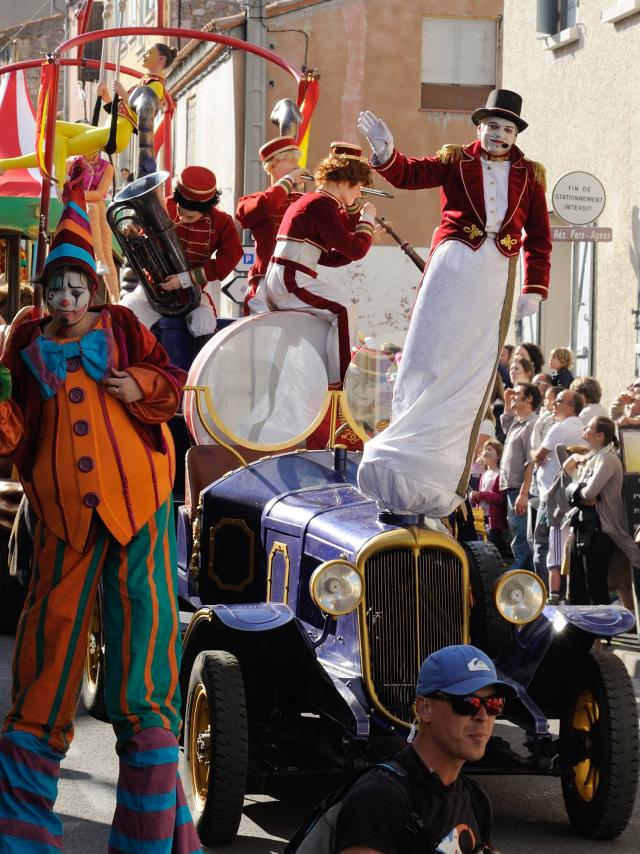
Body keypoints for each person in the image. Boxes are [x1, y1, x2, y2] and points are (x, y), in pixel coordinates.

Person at [0, 166, 201, 853]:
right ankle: (22, 836)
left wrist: (135, 382)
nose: (65, 297)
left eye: (76, 285)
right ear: (44, 291)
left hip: (137, 508)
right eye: (55, 286)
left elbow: (173, 387)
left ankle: (149, 839)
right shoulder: (25, 344)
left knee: (144, 672)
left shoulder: (121, 328)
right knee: (46, 667)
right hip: (62, 521)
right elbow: (15, 430)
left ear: (95, 287)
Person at [356, 89, 551, 519]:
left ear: (516, 133)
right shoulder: (455, 160)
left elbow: (538, 237)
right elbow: (409, 175)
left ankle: (440, 472)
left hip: (496, 274)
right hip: (454, 264)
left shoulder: (531, 174)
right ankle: (404, 444)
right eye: (492, 126)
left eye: (507, 128)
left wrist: (534, 286)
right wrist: (386, 152)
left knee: (475, 367)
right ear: (479, 127)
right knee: (431, 351)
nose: (499, 134)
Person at [335, 644, 513, 854]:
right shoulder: (379, 798)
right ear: (425, 708)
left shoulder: (476, 800)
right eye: (468, 702)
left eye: (494, 704)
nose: (483, 716)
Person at [264, 142, 376, 386]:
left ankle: (332, 379)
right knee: (344, 310)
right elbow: (355, 250)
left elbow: (329, 257)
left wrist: (361, 231)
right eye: (359, 187)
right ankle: (342, 386)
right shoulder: (321, 205)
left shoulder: (314, 203)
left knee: (338, 313)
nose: (359, 194)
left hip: (287, 277)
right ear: (346, 180)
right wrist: (366, 222)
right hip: (291, 279)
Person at [121, 165, 243, 369]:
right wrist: (134, 235)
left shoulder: (220, 221)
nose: (182, 219)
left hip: (191, 291)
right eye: (180, 212)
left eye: (190, 217)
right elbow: (144, 241)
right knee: (126, 310)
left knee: (203, 321)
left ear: (206, 209)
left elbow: (230, 258)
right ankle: (132, 369)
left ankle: (198, 375)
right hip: (153, 288)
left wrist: (185, 279)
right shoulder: (164, 205)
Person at [0, 43, 176, 185]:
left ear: (160, 59)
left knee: (62, 148)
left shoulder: (157, 86)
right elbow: (123, 110)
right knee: (51, 128)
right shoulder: (145, 81)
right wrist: (107, 97)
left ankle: (59, 180)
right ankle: (6, 165)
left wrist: (123, 94)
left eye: (149, 52)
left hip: (114, 135)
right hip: (109, 127)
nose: (144, 55)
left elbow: (142, 116)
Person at [563, 417, 640, 605]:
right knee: (578, 586)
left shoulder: (609, 459)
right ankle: (581, 633)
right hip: (582, 526)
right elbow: (571, 477)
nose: (584, 428)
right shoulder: (592, 456)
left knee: (596, 586)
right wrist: (574, 490)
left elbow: (590, 492)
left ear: (600, 435)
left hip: (601, 529)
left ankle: (602, 634)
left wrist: (575, 491)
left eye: (588, 426)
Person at [236, 135, 305, 315]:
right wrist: (289, 180)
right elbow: (268, 205)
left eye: (297, 161)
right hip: (265, 282)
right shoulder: (251, 201)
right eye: (291, 162)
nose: (297, 167)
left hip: (298, 281)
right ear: (272, 166)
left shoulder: (306, 202)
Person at [532, 389, 584, 601]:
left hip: (552, 497)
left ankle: (547, 595)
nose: (553, 403)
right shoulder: (583, 426)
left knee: (544, 545)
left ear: (571, 407)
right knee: (566, 546)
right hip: (573, 496)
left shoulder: (560, 428)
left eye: (559, 401)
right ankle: (564, 594)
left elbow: (538, 456)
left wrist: (535, 456)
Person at [500, 382, 541, 569]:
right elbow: (505, 423)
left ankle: (521, 580)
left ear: (530, 398)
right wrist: (508, 401)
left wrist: (524, 493)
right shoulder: (518, 422)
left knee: (522, 539)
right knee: (517, 536)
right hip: (511, 489)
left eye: (517, 394)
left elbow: (531, 462)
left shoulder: (532, 424)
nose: (513, 395)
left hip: (519, 490)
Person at [73, 150, 119, 301]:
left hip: (98, 207)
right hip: (79, 207)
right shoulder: (72, 163)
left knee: (108, 250)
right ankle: (99, 259)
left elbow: (100, 194)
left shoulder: (107, 167)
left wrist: (78, 193)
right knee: (94, 208)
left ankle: (116, 299)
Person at [471, 439, 509, 557]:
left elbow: (500, 498)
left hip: (494, 522)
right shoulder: (483, 475)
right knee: (481, 548)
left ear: (498, 455)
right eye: (485, 449)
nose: (486, 452)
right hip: (481, 519)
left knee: (492, 549)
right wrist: (475, 497)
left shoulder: (500, 474)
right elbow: (480, 496)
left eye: (490, 449)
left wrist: (481, 495)